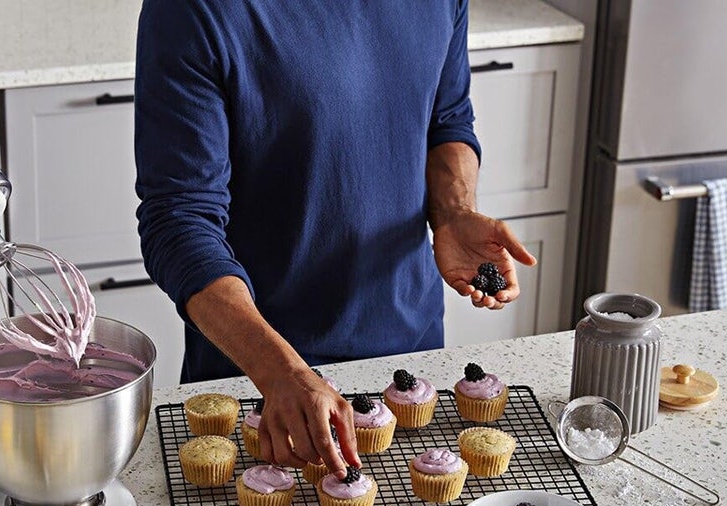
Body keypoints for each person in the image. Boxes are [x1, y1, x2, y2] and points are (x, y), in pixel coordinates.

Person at [133, 0, 537, 480]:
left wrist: (454, 212)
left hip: (410, 360)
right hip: (262, 382)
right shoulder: (193, 10)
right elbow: (178, 220)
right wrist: (280, 371)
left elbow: (445, 118)